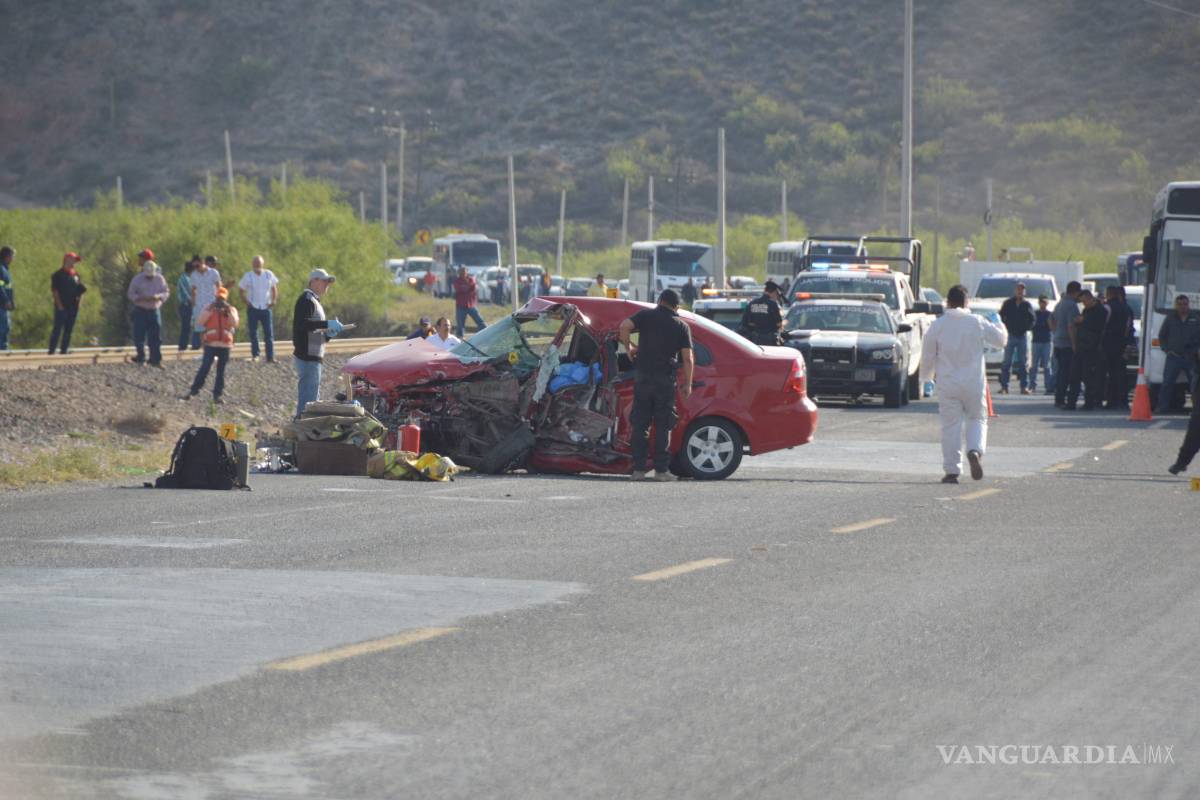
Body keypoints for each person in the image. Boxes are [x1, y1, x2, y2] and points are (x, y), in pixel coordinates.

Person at [919, 284, 1007, 484]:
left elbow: (928, 355)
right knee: (977, 419)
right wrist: (999, 322)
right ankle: (975, 450)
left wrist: (926, 378)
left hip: (948, 384)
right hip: (973, 383)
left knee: (951, 427)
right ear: (967, 302)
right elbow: (1001, 341)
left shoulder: (938, 325)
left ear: (948, 302)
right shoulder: (977, 322)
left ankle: (952, 471)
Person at [618, 288, 695, 482]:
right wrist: (688, 383)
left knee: (640, 424)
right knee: (663, 425)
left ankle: (638, 470)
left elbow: (624, 326)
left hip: (643, 378)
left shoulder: (645, 316)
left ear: (660, 300)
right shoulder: (681, 326)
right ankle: (661, 471)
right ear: (676, 307)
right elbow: (688, 358)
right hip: (665, 381)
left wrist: (629, 347)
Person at [292, 268, 342, 417]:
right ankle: (302, 426)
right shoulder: (307, 300)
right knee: (309, 401)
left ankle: (305, 426)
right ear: (313, 281)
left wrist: (328, 335)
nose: (327, 284)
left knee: (312, 399)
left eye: (328, 282)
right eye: (324, 281)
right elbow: (303, 325)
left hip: (313, 357)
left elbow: (313, 333)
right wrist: (327, 324)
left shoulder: (313, 301)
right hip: (307, 357)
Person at [183, 286, 239, 403]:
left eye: (222, 299)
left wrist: (228, 310)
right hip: (211, 344)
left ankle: (217, 396)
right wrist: (210, 309)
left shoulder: (231, 309)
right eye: (218, 299)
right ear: (215, 298)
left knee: (221, 371)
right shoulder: (209, 308)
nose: (220, 302)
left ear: (226, 299)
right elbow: (200, 322)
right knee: (205, 367)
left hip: (225, 345)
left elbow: (235, 323)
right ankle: (193, 391)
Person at [1154, 294, 1200, 414]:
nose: (1182, 307)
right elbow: (1162, 335)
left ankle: (1197, 409)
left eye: (1185, 304)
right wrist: (1166, 349)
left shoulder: (1195, 318)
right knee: (1167, 383)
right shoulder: (1170, 318)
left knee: (1194, 385)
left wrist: (1196, 350)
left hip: (1190, 357)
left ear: (1188, 305)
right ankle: (1162, 407)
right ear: (1175, 305)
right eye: (1179, 304)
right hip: (1174, 356)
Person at [1063, 289, 1106, 411]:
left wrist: (1083, 320)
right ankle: (1071, 402)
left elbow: (1097, 326)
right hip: (1080, 347)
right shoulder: (1086, 310)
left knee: (1088, 378)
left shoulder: (1100, 310)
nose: (1084, 304)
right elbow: (1079, 322)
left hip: (1091, 348)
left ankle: (1089, 403)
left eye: (1084, 301)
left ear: (1090, 298)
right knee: (1074, 376)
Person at [126, 249, 169, 368]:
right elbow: (131, 293)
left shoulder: (160, 278)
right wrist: (139, 298)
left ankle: (155, 360)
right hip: (141, 309)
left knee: (156, 336)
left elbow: (166, 292)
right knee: (138, 335)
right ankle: (141, 357)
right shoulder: (137, 279)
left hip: (154, 310)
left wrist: (158, 297)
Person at [238, 255, 279, 363]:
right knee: (253, 333)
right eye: (255, 263)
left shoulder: (268, 274)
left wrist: (274, 300)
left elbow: (274, 288)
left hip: (266, 307)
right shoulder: (248, 276)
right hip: (253, 308)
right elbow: (241, 289)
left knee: (268, 333)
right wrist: (247, 302)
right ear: (252, 264)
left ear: (262, 264)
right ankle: (256, 355)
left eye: (259, 263)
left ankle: (270, 357)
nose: (257, 265)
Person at [998, 281, 1034, 394]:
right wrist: (1005, 327)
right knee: (1007, 362)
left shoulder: (1027, 304)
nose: (1020, 291)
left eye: (1022, 289)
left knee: (1023, 363)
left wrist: (1026, 328)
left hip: (1022, 336)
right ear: (1015, 290)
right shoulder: (1008, 303)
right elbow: (1000, 316)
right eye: (1018, 289)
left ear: (1025, 292)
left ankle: (1024, 387)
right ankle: (1004, 387)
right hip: (1010, 335)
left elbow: (1033, 319)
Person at [1101, 285, 1133, 410]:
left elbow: (1102, 325)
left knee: (1110, 373)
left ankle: (1111, 400)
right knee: (1121, 372)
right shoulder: (1127, 308)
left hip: (1108, 343)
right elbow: (1128, 328)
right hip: (1121, 344)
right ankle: (1122, 400)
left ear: (1108, 294)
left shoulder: (1107, 307)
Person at [1050, 281, 1081, 408]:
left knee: (1060, 372)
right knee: (1067, 373)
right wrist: (1074, 344)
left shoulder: (1060, 303)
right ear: (1076, 292)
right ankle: (1061, 399)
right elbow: (1071, 326)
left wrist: (1056, 332)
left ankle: (1058, 398)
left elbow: (1050, 319)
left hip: (1058, 342)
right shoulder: (1072, 305)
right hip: (1067, 343)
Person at [49, 252, 86, 354]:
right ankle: (51, 351)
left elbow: (81, 290)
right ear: (67, 259)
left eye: (75, 260)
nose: (74, 262)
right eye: (73, 259)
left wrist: (79, 304)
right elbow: (55, 291)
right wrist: (59, 306)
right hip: (61, 307)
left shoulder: (76, 275)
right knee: (57, 330)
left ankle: (64, 351)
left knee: (68, 331)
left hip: (73, 307)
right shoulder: (58, 275)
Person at [737, 280, 785, 346]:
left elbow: (745, 322)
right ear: (774, 292)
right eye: (777, 295)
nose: (776, 297)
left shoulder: (752, 303)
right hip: (769, 342)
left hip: (754, 342)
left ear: (765, 291)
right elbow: (779, 324)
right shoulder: (772, 304)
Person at [191, 255, 223, 349]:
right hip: (199, 305)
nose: (196, 268)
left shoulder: (213, 273)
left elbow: (219, 287)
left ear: (202, 263)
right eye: (194, 266)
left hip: (212, 304)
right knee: (201, 329)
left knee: (213, 328)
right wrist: (193, 303)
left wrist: (220, 300)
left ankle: (214, 349)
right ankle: (205, 350)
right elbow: (193, 289)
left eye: (197, 266)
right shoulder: (194, 275)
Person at [1029, 295, 1053, 395]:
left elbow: (1052, 327)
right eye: (1041, 302)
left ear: (1047, 303)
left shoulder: (1050, 314)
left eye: (1045, 302)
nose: (1043, 304)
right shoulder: (1035, 314)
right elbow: (1031, 326)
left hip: (1047, 341)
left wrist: (1047, 324)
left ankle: (1048, 386)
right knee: (1034, 365)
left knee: (1047, 365)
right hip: (1036, 341)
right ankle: (1032, 386)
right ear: (1039, 303)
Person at [453, 267, 486, 337]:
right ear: (459, 273)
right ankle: (460, 338)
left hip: (471, 304)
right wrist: (467, 286)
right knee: (460, 325)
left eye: (464, 272)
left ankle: (485, 334)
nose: (463, 273)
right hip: (461, 305)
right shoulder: (457, 281)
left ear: (467, 272)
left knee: (480, 321)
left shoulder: (471, 279)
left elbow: (473, 287)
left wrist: (466, 286)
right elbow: (460, 289)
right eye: (461, 272)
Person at [176, 257, 198, 352]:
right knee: (186, 326)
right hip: (186, 305)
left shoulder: (191, 278)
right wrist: (192, 301)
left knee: (194, 325)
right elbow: (185, 292)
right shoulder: (183, 279)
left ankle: (195, 344)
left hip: (193, 304)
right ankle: (182, 346)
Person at [0, 246, 15, 350]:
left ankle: (4, 351)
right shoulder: (1, 269)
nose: (13, 259)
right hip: (2, 306)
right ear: (7, 256)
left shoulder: (5, 269)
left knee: (5, 329)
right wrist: (6, 301)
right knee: (2, 329)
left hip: (4, 307)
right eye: (12, 256)